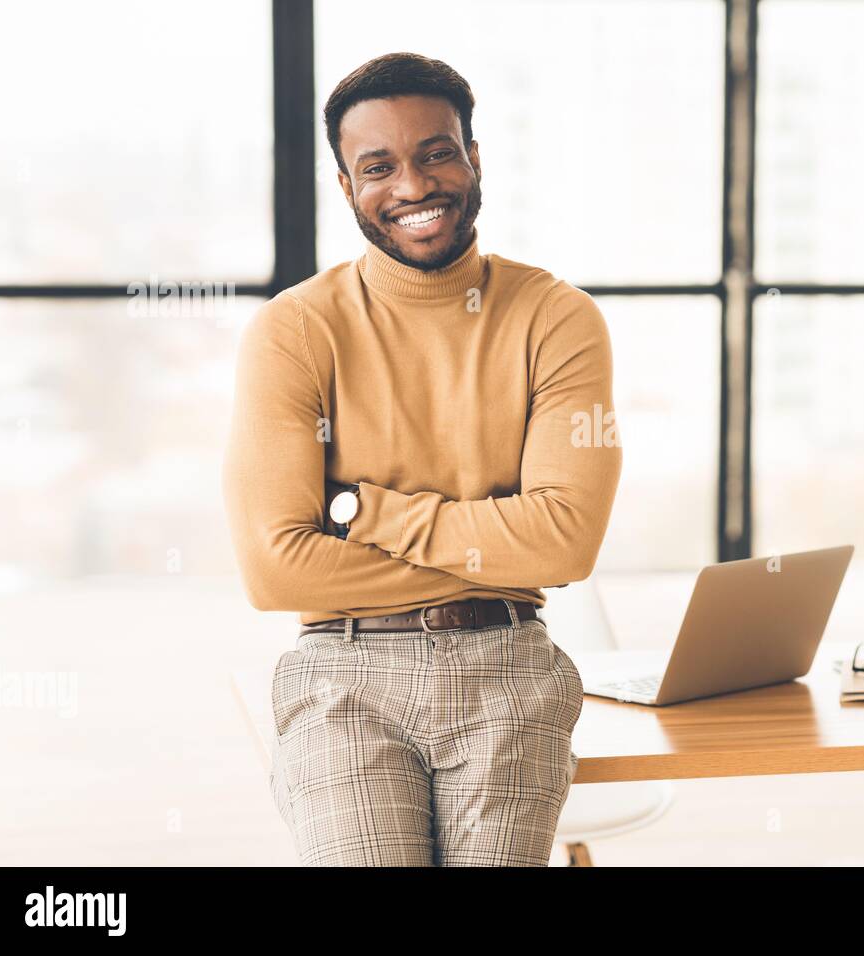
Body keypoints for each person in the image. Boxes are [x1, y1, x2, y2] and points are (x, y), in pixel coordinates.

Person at [222, 52, 622, 866]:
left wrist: (364, 513)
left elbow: (567, 543)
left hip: (510, 669)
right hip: (344, 674)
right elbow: (277, 574)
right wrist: (500, 554)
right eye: (379, 166)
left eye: (436, 152)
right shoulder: (295, 330)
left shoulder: (558, 318)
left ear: (473, 158)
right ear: (346, 187)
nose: (413, 187)